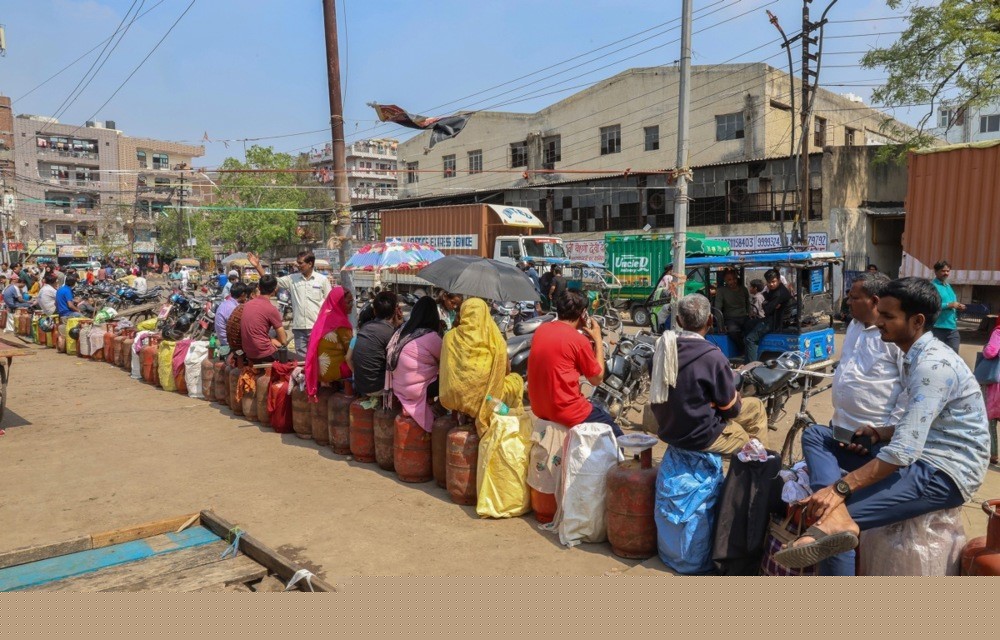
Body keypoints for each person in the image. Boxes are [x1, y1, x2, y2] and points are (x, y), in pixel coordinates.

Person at [779, 277, 991, 572]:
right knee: (817, 434)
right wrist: (881, 432)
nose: (879, 321)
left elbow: (904, 451)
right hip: (913, 453)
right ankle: (830, 504)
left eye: (888, 316)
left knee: (831, 521)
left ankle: (835, 520)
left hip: (942, 470)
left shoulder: (933, 366)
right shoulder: (912, 354)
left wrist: (841, 489)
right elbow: (921, 425)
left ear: (917, 321)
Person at [649, 294, 768, 454]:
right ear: (711, 321)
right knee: (747, 441)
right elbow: (729, 410)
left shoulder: (661, 351)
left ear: (678, 321)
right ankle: (757, 463)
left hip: (670, 426)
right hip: (699, 434)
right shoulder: (712, 357)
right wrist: (736, 397)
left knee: (756, 406)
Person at [527, 289, 620, 436]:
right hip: (567, 410)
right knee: (615, 434)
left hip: (539, 407)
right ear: (583, 313)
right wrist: (598, 339)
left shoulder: (541, 330)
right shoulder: (578, 340)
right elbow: (596, 379)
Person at [440, 297, 525, 435]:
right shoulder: (496, 340)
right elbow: (506, 372)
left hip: (453, 397)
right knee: (517, 380)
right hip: (486, 400)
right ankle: (508, 428)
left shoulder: (449, 337)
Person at [250, 250, 331, 358]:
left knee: (319, 358)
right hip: (299, 328)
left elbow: (330, 303)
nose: (298, 265)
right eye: (297, 263)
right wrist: (258, 266)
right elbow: (271, 281)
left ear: (310, 263)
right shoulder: (292, 279)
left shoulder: (322, 280)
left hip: (317, 328)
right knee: (302, 361)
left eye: (301, 263)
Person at [386, 296, 444, 431]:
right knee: (451, 381)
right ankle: (437, 411)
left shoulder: (402, 331)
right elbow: (447, 359)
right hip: (415, 390)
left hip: (397, 386)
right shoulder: (430, 337)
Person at [304, 286, 354, 400]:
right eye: (348, 302)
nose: (352, 305)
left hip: (316, 370)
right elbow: (351, 350)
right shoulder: (341, 324)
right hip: (332, 371)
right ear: (339, 303)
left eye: (352, 301)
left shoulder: (323, 318)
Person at [351, 292, 404, 397]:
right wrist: (400, 326)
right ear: (395, 311)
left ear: (374, 311)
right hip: (378, 388)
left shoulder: (365, 327)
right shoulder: (391, 333)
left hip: (360, 386)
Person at [743, 269, 792, 362]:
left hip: (774, 321)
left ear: (778, 280)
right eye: (769, 282)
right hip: (772, 318)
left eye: (773, 282)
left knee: (750, 339)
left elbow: (767, 310)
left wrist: (766, 304)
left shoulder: (779, 293)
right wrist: (768, 304)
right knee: (748, 324)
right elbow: (768, 303)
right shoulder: (775, 290)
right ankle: (746, 358)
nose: (771, 284)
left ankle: (751, 366)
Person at [240, 275, 288, 365]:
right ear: (275, 290)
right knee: (291, 356)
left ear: (258, 287)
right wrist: (274, 341)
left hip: (248, 352)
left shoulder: (247, 305)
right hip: (264, 354)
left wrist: (270, 339)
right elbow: (283, 341)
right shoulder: (271, 309)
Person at [930, 260, 964, 353]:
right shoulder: (932, 286)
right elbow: (930, 305)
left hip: (952, 328)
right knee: (936, 354)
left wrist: (958, 306)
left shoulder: (947, 285)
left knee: (953, 355)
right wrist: (949, 305)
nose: (946, 273)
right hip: (937, 328)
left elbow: (952, 303)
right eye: (943, 271)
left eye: (948, 271)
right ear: (936, 272)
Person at [715, 269, 751, 344]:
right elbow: (717, 308)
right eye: (729, 279)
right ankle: (742, 348)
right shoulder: (721, 291)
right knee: (733, 331)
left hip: (744, 317)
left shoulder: (743, 289)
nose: (732, 281)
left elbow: (748, 303)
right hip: (730, 319)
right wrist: (721, 325)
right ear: (725, 280)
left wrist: (749, 313)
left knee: (754, 328)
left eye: (734, 279)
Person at [983, 316, 1000, 466]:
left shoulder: (998, 333)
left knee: (991, 419)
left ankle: (993, 454)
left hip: (996, 384)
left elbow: (990, 352)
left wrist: (985, 349)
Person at [215, 283, 247, 355]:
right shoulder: (233, 308)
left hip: (224, 340)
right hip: (227, 344)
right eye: (246, 295)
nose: (246, 298)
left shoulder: (226, 303)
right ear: (243, 294)